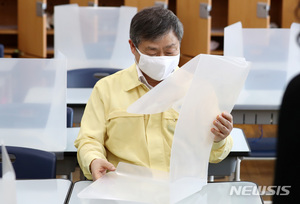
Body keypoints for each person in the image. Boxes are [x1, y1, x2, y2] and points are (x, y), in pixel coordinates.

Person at [74, 6, 233, 181]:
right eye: (152, 52)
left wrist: (219, 139)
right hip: (124, 189)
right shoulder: (106, 89)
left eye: (170, 51)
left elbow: (215, 156)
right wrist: (94, 160)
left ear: (179, 45)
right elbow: (89, 139)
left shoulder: (199, 89)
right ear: (133, 47)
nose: (162, 59)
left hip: (179, 190)